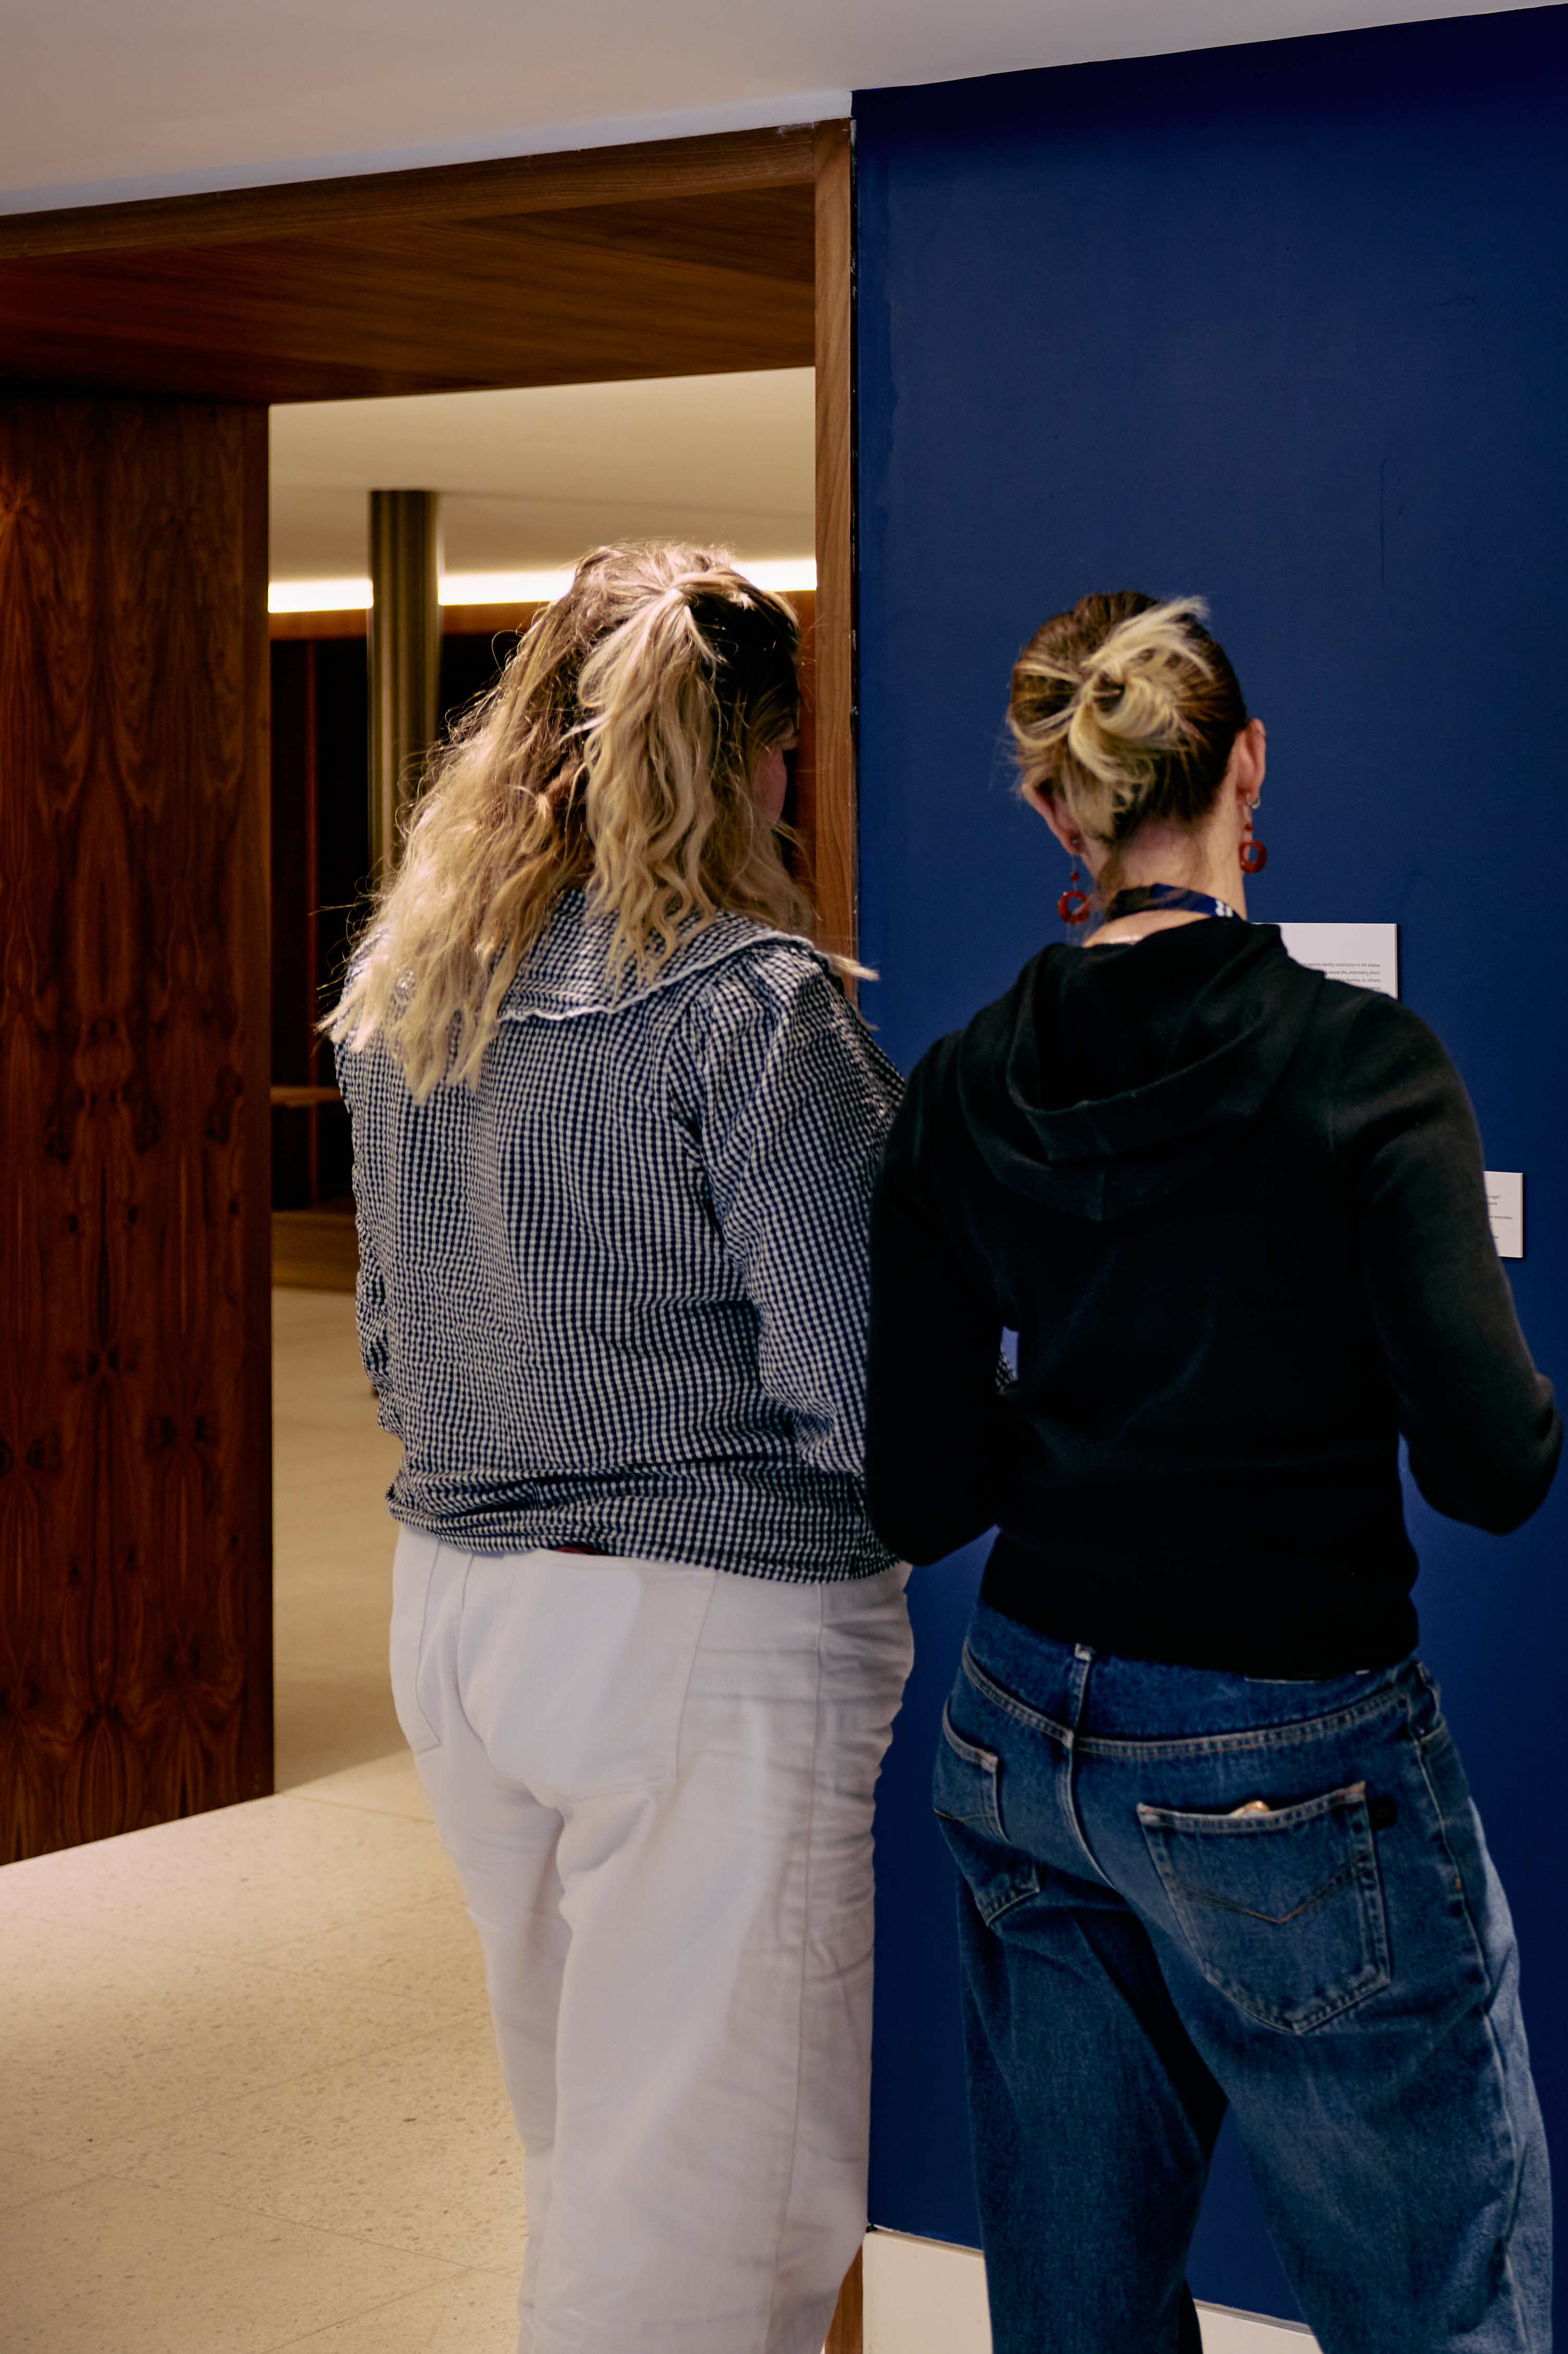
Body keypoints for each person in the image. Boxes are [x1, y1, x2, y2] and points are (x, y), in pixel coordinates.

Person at [868, 592, 1564, 2354]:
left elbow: (917, 1495)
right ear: (1248, 766)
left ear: (1057, 810)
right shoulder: (1365, 1073)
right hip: (1296, 1761)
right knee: (1434, 2307)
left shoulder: (957, 1090)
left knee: (1076, 2316)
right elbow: (1495, 1470)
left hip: (1023, 1737)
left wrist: (1088, 1430)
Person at [333, 544, 906, 2354]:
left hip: (461, 1620)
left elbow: (376, 1339)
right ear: (766, 756)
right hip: (702, 1634)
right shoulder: (753, 1004)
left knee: (593, 2146)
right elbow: (864, 1394)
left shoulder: (409, 998)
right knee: (713, 2211)